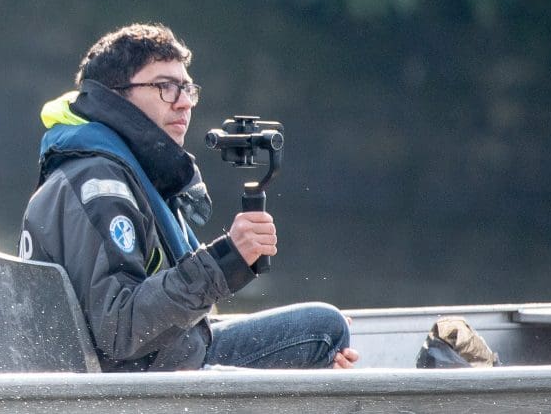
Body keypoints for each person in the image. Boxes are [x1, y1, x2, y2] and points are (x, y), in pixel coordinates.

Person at [19, 23, 354, 371]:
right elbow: (120, 330)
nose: (183, 103)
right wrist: (225, 260)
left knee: (317, 338)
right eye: (165, 87)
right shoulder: (101, 186)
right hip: (142, 386)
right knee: (325, 330)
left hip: (149, 369)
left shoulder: (107, 170)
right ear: (115, 96)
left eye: (187, 89)